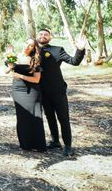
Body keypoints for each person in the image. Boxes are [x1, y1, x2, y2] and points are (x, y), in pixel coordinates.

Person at [37, 28, 86, 156]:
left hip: (58, 90)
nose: (43, 36)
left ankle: (68, 146)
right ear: (37, 36)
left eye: (46, 34)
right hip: (42, 91)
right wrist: (10, 59)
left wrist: (80, 49)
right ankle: (55, 141)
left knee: (63, 118)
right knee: (50, 117)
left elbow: (74, 61)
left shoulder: (57, 50)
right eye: (41, 34)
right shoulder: (32, 50)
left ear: (50, 37)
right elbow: (21, 63)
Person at [5, 39, 45, 152]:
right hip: (17, 90)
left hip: (32, 91)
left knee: (35, 116)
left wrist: (21, 76)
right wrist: (9, 59)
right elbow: (7, 71)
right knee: (22, 116)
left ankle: (38, 145)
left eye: (31, 45)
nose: (27, 46)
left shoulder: (34, 60)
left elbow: (37, 79)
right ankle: (25, 144)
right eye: (26, 43)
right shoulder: (14, 56)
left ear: (33, 48)